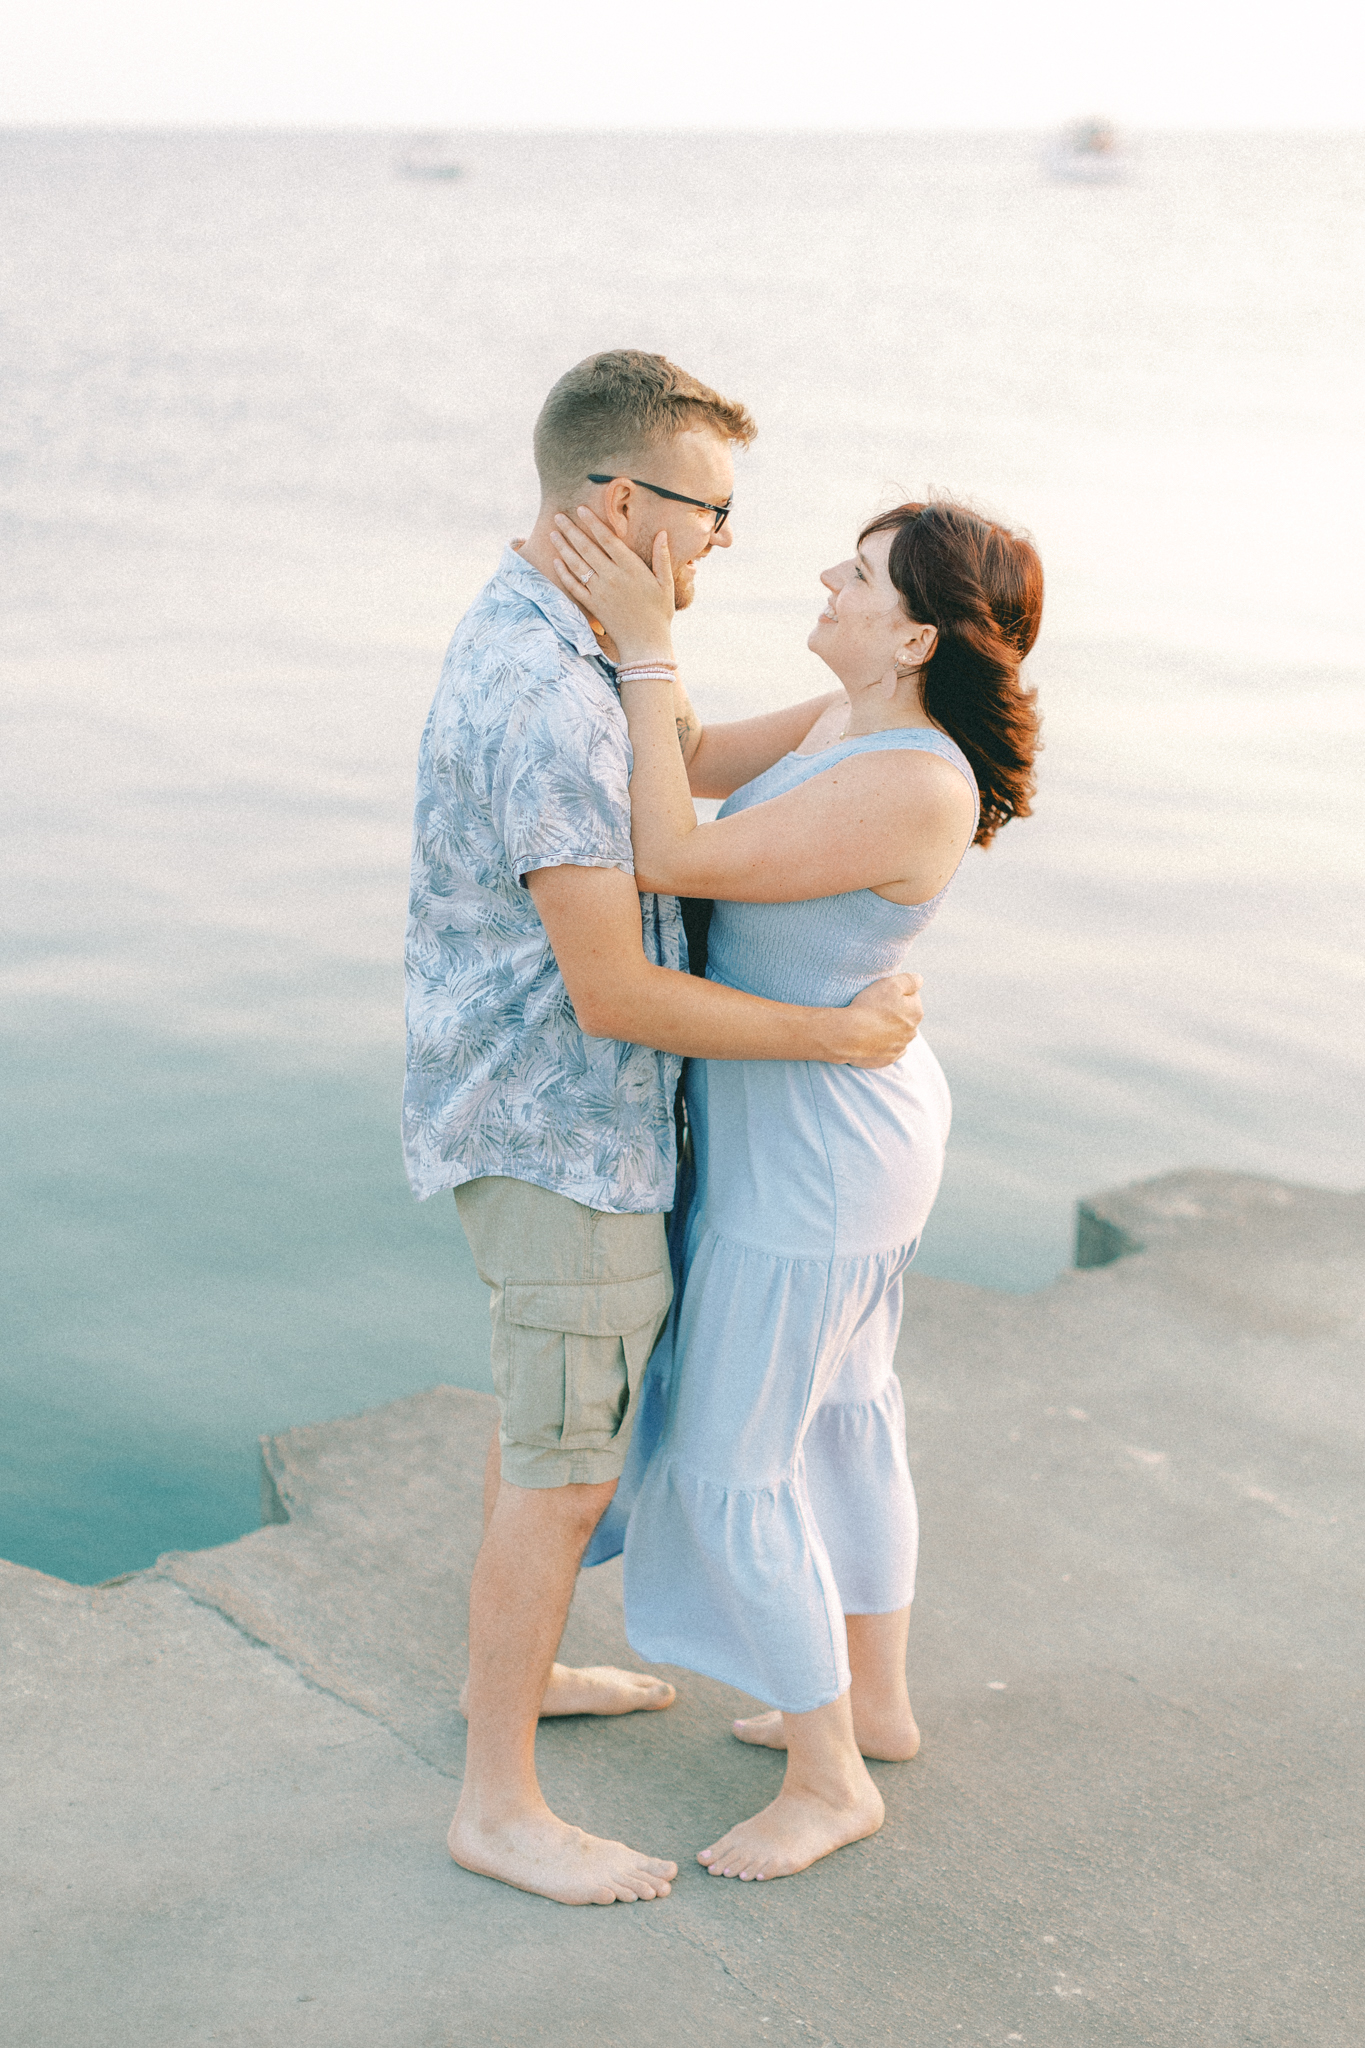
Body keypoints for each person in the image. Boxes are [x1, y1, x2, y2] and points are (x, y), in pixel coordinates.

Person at [402, 349, 926, 1907]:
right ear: (620, 503)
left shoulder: (569, 637)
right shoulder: (544, 696)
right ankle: (496, 1802)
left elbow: (677, 767)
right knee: (565, 1462)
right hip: (560, 1134)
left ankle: (522, 1671)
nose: (722, 546)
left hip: (555, 1120)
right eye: (709, 513)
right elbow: (616, 989)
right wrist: (834, 1035)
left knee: (548, 1431)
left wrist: (877, 698)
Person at [548, 492, 1043, 1882]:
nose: (828, 575)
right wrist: (642, 635)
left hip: (818, 1157)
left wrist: (646, 644)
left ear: (915, 633)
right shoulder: (852, 726)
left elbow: (671, 850)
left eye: (862, 571)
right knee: (839, 1416)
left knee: (730, 1454)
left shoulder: (915, 777)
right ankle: (871, 1705)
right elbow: (692, 758)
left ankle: (829, 1781)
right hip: (824, 1128)